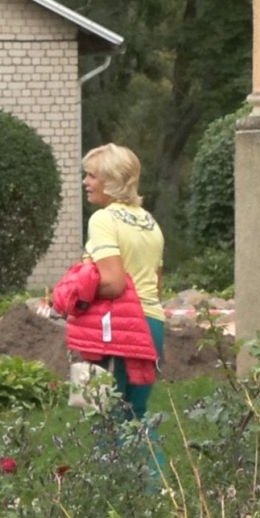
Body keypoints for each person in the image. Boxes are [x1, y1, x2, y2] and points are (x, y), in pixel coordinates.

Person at [81, 143, 166, 422]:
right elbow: (157, 283)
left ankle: (122, 468)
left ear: (111, 180)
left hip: (114, 328)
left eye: (92, 176)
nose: (86, 182)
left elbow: (114, 284)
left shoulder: (102, 219)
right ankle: (157, 468)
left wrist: (72, 294)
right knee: (135, 416)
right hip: (151, 324)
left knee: (105, 418)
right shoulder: (149, 220)